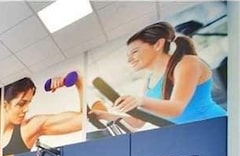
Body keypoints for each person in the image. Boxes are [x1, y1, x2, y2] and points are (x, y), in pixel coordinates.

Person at [94, 21, 226, 127]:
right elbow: (138, 122)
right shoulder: (150, 79)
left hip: (216, 127)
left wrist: (139, 100)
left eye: (134, 52)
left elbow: (176, 108)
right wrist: (103, 115)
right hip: (190, 136)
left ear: (158, 44)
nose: (129, 59)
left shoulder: (187, 63)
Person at [1, 73, 84, 155]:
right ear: (5, 105)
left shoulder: (27, 129)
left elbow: (83, 120)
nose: (27, 109)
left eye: (28, 103)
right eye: (21, 103)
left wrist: (78, 80)